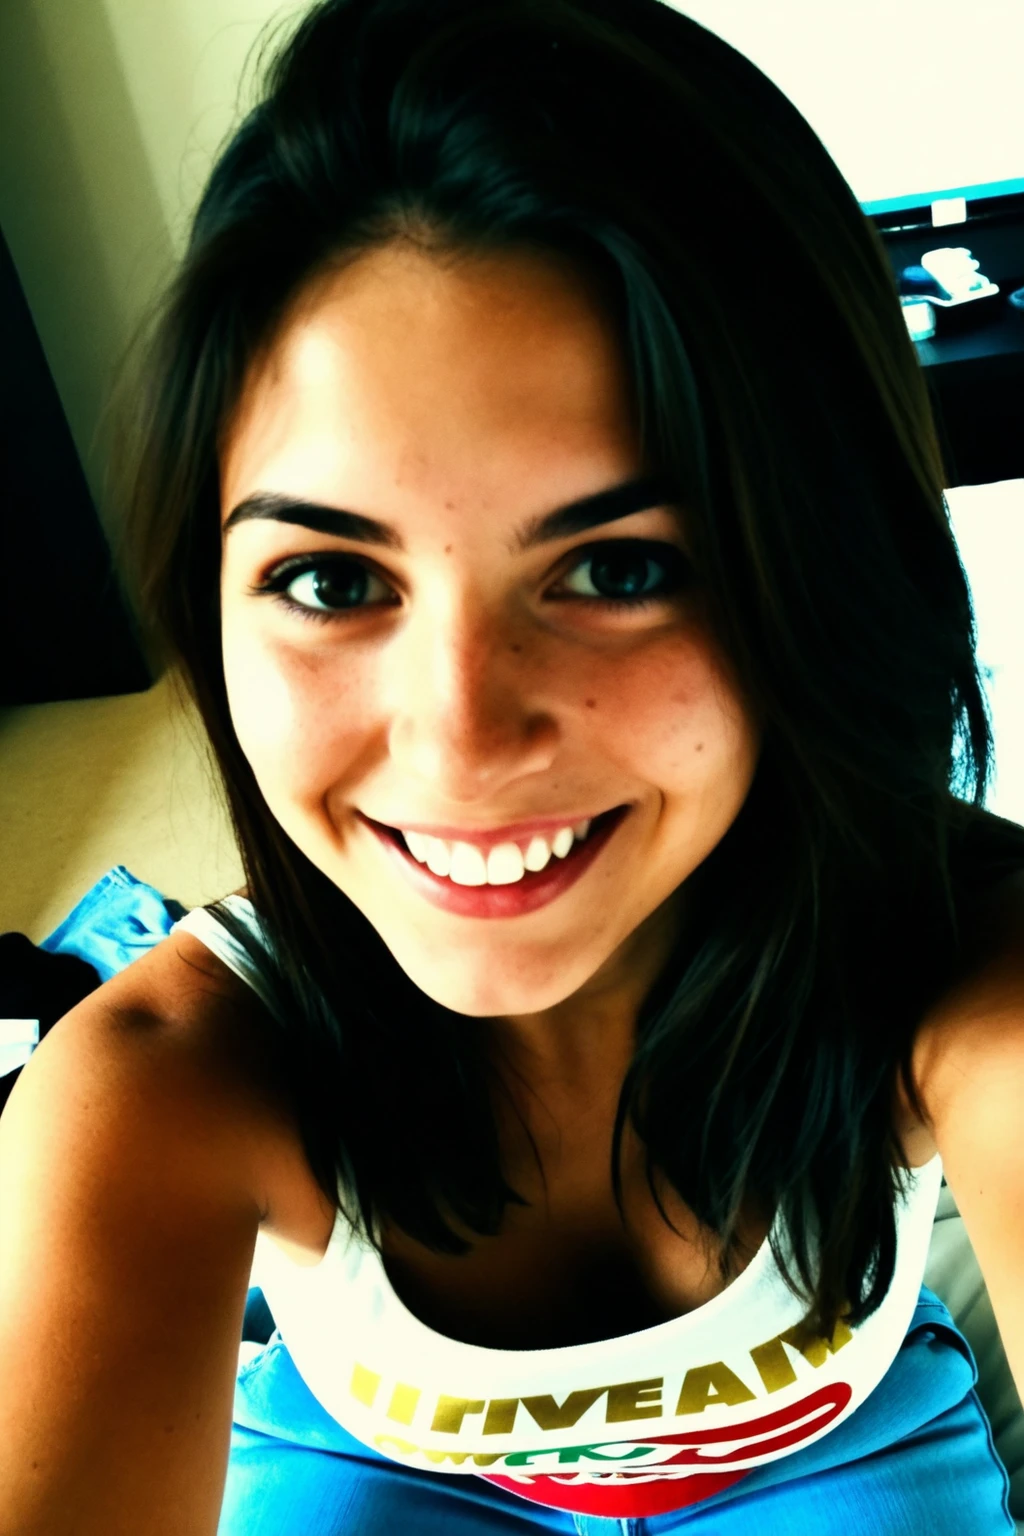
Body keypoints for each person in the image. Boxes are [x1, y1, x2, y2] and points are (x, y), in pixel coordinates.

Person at [1, 0, 1022, 1531]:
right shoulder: (153, 1090)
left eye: (615, 569)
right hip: (375, 1465)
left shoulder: (967, 970)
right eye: (335, 582)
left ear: (822, 574)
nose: (461, 739)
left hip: (841, 1450)